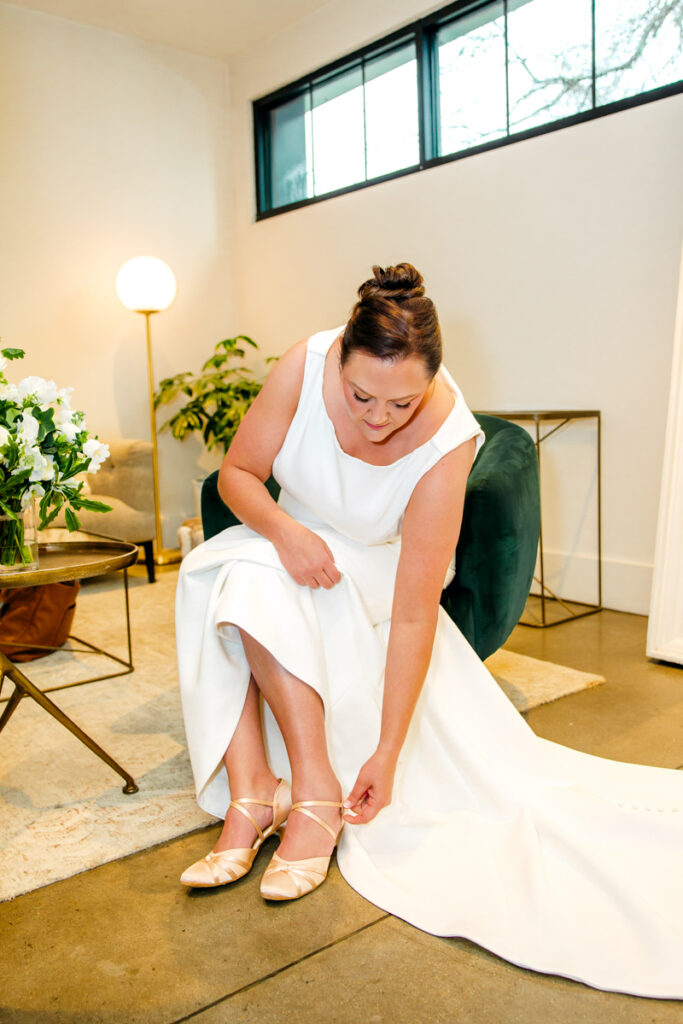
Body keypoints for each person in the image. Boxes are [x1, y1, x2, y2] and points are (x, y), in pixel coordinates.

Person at [176, 263, 683, 999]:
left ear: (431, 382)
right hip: (294, 546)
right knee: (230, 567)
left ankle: (304, 797)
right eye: (361, 396)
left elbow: (416, 609)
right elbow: (237, 476)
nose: (378, 418)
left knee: (245, 573)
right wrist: (288, 533)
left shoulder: (449, 437)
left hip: (379, 570)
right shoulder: (302, 365)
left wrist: (387, 750)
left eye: (401, 403)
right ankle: (260, 792)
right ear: (339, 360)